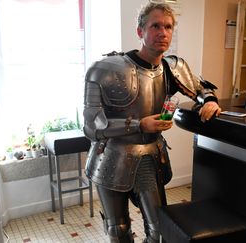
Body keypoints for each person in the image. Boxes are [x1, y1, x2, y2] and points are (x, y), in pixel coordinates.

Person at [83, 2, 221, 242]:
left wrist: (209, 101)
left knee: (159, 230)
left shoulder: (172, 68)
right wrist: (138, 125)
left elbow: (200, 89)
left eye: (168, 27)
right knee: (119, 230)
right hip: (110, 157)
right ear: (140, 31)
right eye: (155, 25)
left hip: (150, 156)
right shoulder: (104, 69)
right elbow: (91, 126)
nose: (163, 32)